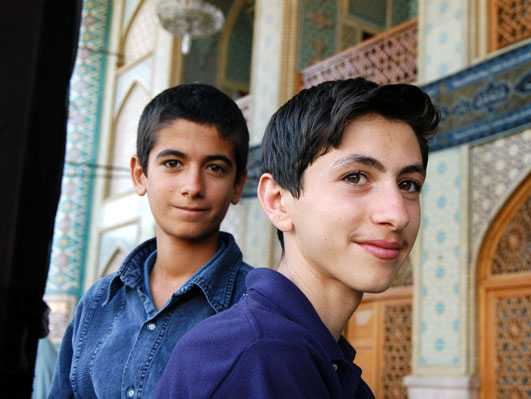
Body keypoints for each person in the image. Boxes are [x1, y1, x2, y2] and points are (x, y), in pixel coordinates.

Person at [155, 78, 440, 398]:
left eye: (408, 184)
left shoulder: (321, 362)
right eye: (356, 177)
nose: (397, 214)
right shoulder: (255, 360)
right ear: (278, 201)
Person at [49, 83, 252, 399]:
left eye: (215, 168)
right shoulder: (98, 303)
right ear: (140, 175)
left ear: (238, 184)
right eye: (173, 163)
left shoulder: (259, 306)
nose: (192, 186)